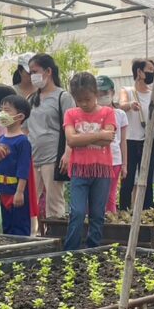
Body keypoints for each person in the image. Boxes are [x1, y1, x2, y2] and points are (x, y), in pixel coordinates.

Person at [63, 72, 116, 250]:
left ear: (96, 93)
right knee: (77, 212)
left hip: (102, 170)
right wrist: (99, 134)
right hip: (79, 170)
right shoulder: (70, 113)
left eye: (87, 99)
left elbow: (108, 140)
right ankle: (70, 250)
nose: (84, 104)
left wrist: (82, 138)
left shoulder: (108, 112)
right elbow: (71, 140)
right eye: (79, 100)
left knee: (97, 213)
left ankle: (93, 249)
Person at [27, 53, 75, 222]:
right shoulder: (31, 99)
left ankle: (56, 234)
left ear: (48, 71)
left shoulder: (63, 97)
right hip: (32, 157)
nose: (32, 76)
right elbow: (25, 129)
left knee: (54, 203)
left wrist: (67, 154)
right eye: (31, 73)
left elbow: (71, 128)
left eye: (35, 71)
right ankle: (29, 236)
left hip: (53, 157)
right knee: (29, 203)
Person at [0, 95, 33, 236]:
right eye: (1, 110)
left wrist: (20, 192)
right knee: (7, 226)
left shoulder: (23, 141)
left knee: (20, 226)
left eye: (7, 110)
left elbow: (24, 169)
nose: (2, 114)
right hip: (3, 190)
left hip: (16, 190)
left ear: (20, 116)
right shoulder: (2, 139)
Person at [119, 58, 154, 210]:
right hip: (130, 141)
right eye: (149, 70)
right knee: (127, 179)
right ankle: (124, 211)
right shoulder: (127, 91)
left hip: (148, 141)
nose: (152, 73)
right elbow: (121, 104)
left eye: (153, 70)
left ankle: (146, 212)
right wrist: (130, 105)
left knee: (147, 179)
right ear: (139, 72)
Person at [97, 75, 128, 213]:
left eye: (104, 92)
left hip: (115, 160)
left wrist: (125, 164)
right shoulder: (91, 114)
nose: (101, 96)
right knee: (96, 195)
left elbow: (123, 141)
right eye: (98, 93)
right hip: (96, 161)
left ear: (112, 92)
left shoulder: (120, 114)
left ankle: (111, 221)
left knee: (110, 196)